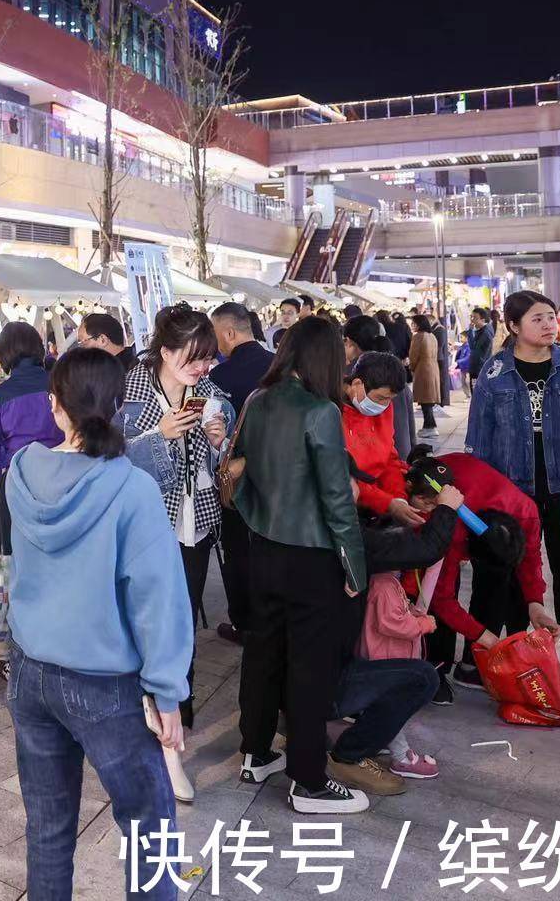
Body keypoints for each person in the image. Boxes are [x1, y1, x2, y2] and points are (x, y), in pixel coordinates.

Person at [0, 347, 191, 900]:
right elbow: (159, 599)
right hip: (105, 684)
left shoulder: (20, 472)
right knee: (149, 826)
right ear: (119, 408)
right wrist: (167, 692)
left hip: (29, 674)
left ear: (55, 406)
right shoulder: (131, 488)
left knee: (47, 829)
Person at [230, 317, 369, 813]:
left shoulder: (258, 399)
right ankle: (308, 780)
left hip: (262, 546)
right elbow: (337, 499)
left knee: (262, 654)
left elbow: (241, 469)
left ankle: (256, 752)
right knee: (310, 669)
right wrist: (354, 566)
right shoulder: (320, 411)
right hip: (311, 556)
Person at [465, 290, 560, 689]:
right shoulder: (494, 374)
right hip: (512, 490)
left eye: (550, 317)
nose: (548, 325)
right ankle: (519, 647)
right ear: (513, 326)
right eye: (537, 319)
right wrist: (483, 495)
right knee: (512, 569)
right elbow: (479, 438)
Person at [121, 305, 232, 800]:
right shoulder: (132, 393)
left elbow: (218, 458)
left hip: (196, 525)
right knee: (152, 629)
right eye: (194, 357)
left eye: (208, 357)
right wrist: (158, 437)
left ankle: (174, 731)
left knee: (181, 625)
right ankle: (153, 738)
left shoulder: (208, 392)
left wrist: (217, 440)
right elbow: (112, 461)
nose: (203, 367)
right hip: (149, 528)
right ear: (165, 352)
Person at [338, 467, 460, 786]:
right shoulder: (381, 583)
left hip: (352, 665)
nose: (359, 489)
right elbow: (391, 621)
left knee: (390, 703)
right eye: (353, 483)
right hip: (370, 663)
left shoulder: (382, 578)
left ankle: (373, 742)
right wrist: (421, 625)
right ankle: (395, 757)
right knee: (408, 692)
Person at [404, 453, 560, 695]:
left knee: (496, 584)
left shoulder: (525, 510)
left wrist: (536, 606)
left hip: (475, 488)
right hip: (436, 487)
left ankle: (470, 664)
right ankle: (436, 665)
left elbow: (531, 558)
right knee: (432, 586)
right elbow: (442, 599)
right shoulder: (452, 528)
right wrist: (489, 640)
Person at [206, 302, 274, 642]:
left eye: (216, 335)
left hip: (236, 478)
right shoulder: (278, 365)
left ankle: (243, 623)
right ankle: (272, 619)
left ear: (229, 333)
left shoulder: (219, 377)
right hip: (277, 474)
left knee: (237, 549)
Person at [0, 322, 62, 497]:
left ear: (3, 354)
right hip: (65, 478)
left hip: (20, 486)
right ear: (39, 348)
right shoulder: (64, 386)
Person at [341, 351, 418, 526]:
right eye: (381, 398)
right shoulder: (332, 412)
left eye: (390, 399)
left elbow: (389, 459)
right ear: (357, 384)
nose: (384, 405)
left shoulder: (384, 408)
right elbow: (340, 474)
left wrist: (399, 498)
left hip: (381, 500)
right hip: (351, 505)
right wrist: (387, 503)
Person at [344, 315, 416, 459]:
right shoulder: (394, 372)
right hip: (399, 459)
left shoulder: (348, 376)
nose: (385, 404)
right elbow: (407, 430)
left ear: (349, 342)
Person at [408, 314, 442, 434]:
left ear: (419, 324)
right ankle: (429, 426)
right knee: (428, 399)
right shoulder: (432, 336)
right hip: (433, 368)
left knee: (425, 400)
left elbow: (413, 356)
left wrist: (411, 368)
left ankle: (430, 427)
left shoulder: (418, 336)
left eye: (414, 323)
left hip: (423, 370)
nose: (412, 326)